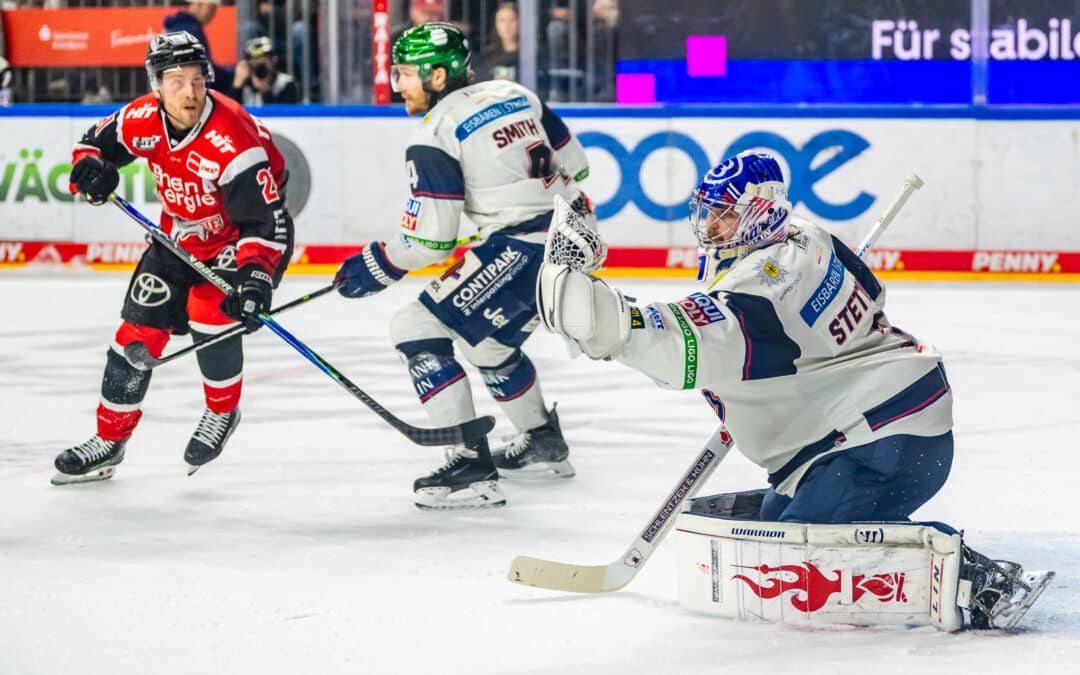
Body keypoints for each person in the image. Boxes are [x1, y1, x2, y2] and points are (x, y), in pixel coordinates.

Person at [535, 150, 1053, 629]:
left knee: (799, 558)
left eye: (726, 216)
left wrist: (594, 313)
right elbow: (870, 290)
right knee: (773, 525)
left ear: (760, 214)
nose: (711, 227)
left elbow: (678, 341)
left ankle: (979, 579)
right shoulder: (807, 234)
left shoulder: (761, 290)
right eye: (709, 214)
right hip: (884, 425)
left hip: (881, 439)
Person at [333, 22, 592, 510]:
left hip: (529, 247)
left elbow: (430, 242)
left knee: (414, 325)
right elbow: (578, 167)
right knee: (490, 346)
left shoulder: (434, 132)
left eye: (405, 73)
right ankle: (543, 441)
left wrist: (375, 265)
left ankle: (470, 465)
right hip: (580, 236)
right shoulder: (517, 94)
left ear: (437, 76)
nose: (397, 84)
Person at [52, 31, 294, 485]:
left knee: (210, 316)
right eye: (176, 82)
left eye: (198, 80)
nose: (190, 92)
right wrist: (91, 169)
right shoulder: (141, 118)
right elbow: (92, 145)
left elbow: (263, 220)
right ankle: (109, 440)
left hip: (243, 236)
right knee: (134, 334)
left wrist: (257, 277)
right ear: (156, 86)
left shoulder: (232, 137)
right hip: (178, 237)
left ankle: (221, 411)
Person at [165, 0, 232, 91]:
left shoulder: (179, 27)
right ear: (198, 4)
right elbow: (203, 70)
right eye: (212, 8)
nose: (213, 14)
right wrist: (233, 78)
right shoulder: (189, 31)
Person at [230, 36, 300, 106]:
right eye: (255, 59)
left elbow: (283, 112)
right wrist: (237, 86)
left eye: (263, 62)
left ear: (273, 60)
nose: (259, 66)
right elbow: (229, 109)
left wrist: (265, 90)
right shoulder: (243, 81)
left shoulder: (286, 83)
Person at [476, 2, 519, 82]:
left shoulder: (529, 58)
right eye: (502, 20)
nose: (507, 25)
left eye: (512, 20)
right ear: (496, 24)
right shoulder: (487, 56)